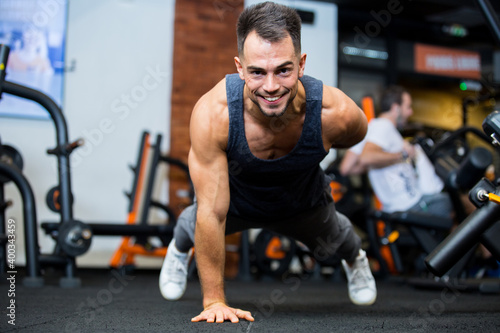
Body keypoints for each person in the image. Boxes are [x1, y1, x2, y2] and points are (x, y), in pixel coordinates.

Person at [159, 1, 376, 324]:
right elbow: (213, 213)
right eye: (257, 72)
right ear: (240, 68)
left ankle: (356, 261)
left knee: (338, 239)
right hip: (235, 203)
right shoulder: (214, 115)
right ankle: (178, 250)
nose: (271, 87)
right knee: (195, 222)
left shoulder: (335, 114)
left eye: (283, 70)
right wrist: (214, 301)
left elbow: (356, 136)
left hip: (302, 203)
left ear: (302, 64)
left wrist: (317, 140)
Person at [358, 85, 451, 215]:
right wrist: (403, 154)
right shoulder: (382, 126)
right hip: (409, 205)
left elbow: (350, 166)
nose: (410, 112)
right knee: (455, 203)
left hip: (411, 201)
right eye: (408, 107)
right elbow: (366, 158)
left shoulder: (384, 128)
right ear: (396, 108)